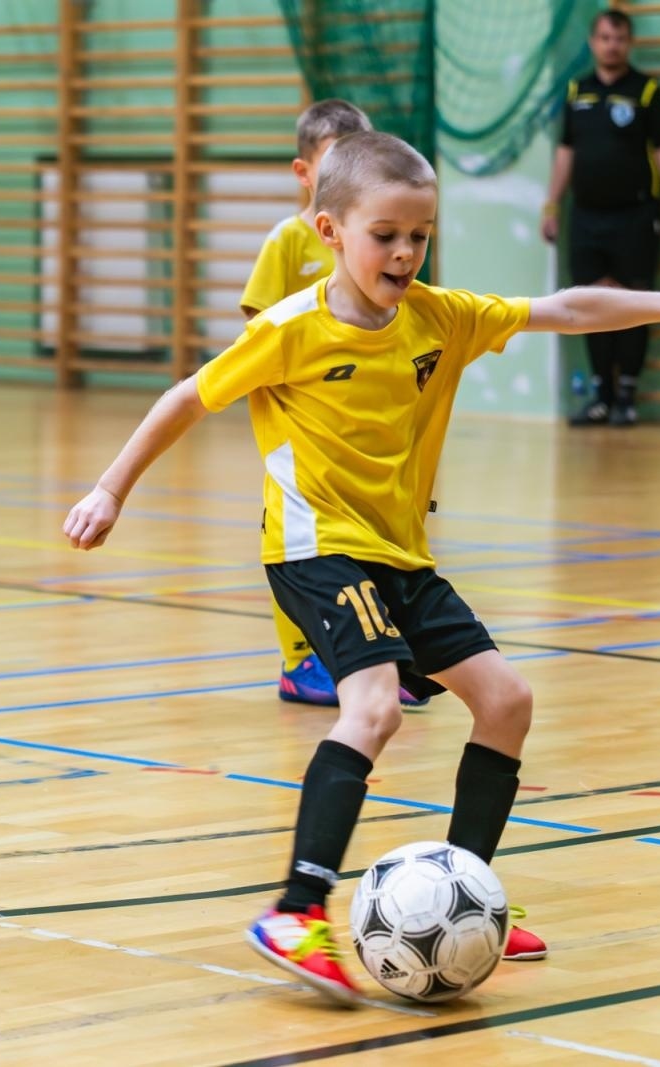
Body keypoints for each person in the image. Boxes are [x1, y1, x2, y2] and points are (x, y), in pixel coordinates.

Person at [64, 131, 660, 1003]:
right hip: (317, 548)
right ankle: (296, 909)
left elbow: (564, 309)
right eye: (386, 235)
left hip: (401, 556)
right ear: (329, 230)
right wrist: (111, 490)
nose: (406, 253)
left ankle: (468, 894)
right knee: (373, 704)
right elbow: (185, 397)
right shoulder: (291, 328)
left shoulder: (437, 317)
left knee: (507, 700)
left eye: (420, 235)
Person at [237, 99, 427, 710]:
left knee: (368, 534)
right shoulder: (289, 241)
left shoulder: (385, 237)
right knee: (300, 540)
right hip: (304, 418)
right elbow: (257, 326)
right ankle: (300, 661)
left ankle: (368, 652)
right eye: (335, 161)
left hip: (365, 418)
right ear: (304, 173)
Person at [542, 8, 660, 427]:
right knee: (590, 303)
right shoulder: (577, 90)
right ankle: (601, 396)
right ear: (593, 43)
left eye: (618, 38)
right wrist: (552, 205)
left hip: (636, 217)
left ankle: (627, 396)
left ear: (628, 43)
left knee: (637, 302)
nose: (610, 45)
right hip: (586, 218)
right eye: (603, 37)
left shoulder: (647, 91)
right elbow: (566, 153)